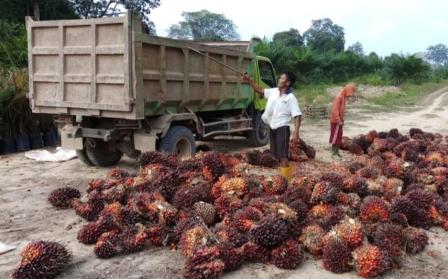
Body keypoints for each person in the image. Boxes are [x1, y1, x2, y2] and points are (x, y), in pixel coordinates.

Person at [243, 72, 302, 180]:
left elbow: (297, 116)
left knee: (283, 157)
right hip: (273, 127)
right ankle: (281, 178)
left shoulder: (290, 98)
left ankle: (287, 181)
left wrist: (296, 132)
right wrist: (250, 80)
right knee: (275, 155)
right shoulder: (274, 91)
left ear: (287, 83)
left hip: (282, 128)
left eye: (281, 78)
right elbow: (260, 90)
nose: (279, 79)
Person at [329, 83, 356, 157]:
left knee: (339, 136)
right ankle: (334, 153)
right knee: (335, 136)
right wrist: (338, 120)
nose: (350, 95)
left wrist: (342, 120)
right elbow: (335, 110)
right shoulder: (339, 97)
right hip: (336, 121)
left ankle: (336, 152)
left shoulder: (343, 97)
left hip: (340, 120)